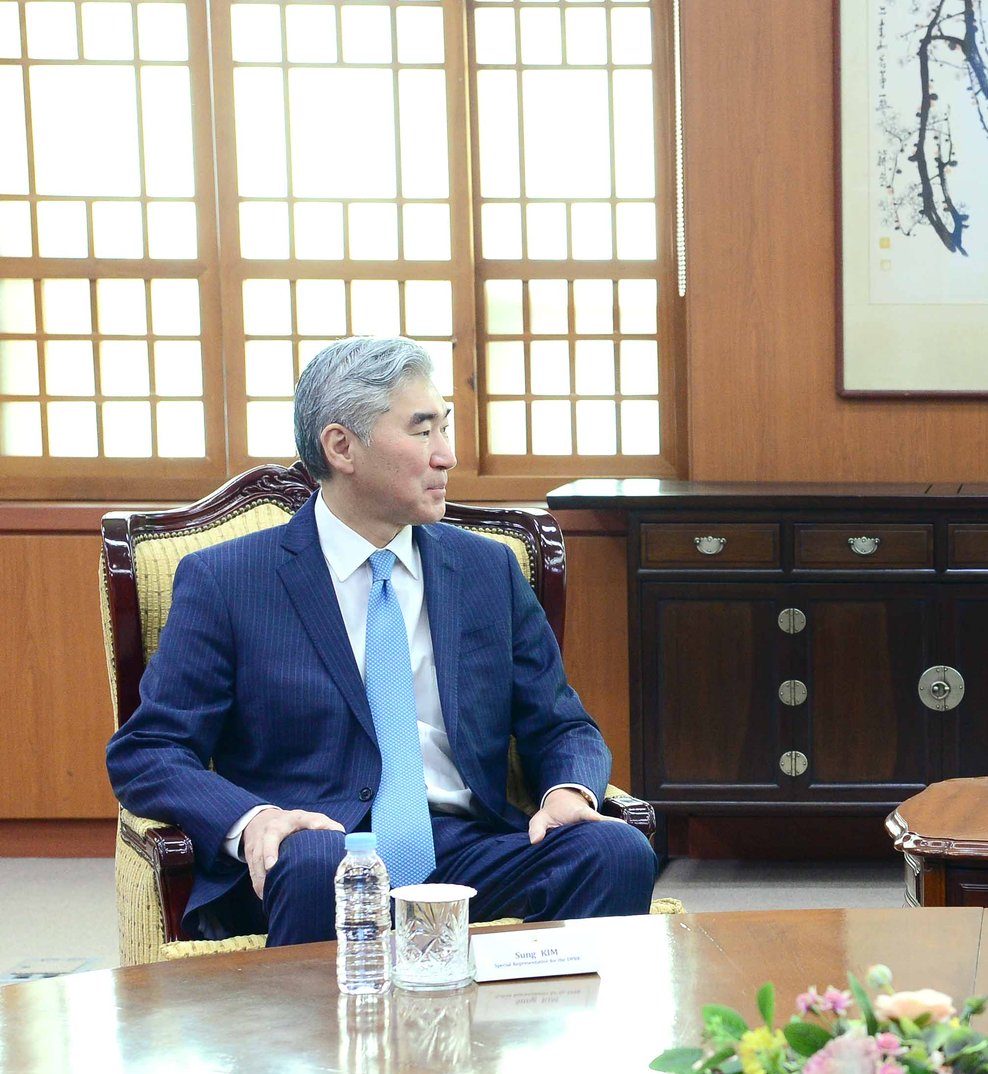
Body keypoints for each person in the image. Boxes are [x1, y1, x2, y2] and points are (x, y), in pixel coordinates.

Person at [107, 336, 658, 944]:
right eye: (422, 432)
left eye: (444, 428)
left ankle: (532, 1038)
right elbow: (150, 750)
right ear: (342, 446)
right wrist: (255, 819)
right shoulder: (229, 580)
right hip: (315, 849)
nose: (446, 456)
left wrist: (566, 790)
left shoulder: (486, 570)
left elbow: (560, 723)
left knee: (615, 850)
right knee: (318, 864)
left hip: (464, 846)